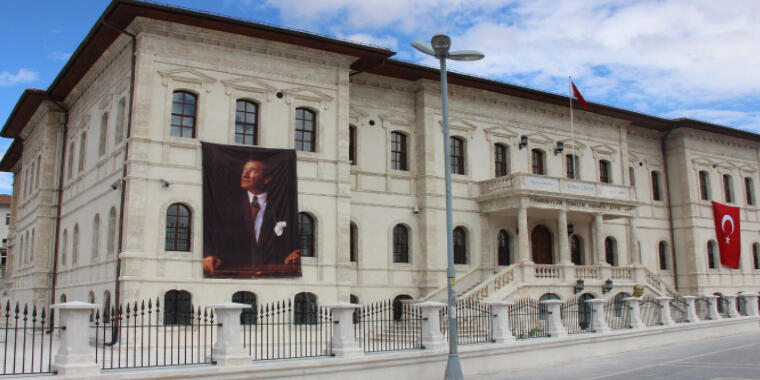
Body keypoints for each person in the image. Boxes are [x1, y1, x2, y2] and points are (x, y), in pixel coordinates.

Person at [203, 159, 299, 276]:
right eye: (244, 170)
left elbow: (292, 240)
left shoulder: (282, 205)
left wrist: (295, 253)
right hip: (233, 272)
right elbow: (211, 233)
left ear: (267, 179)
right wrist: (208, 255)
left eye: (253, 171)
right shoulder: (227, 205)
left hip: (273, 273)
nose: (245, 174)